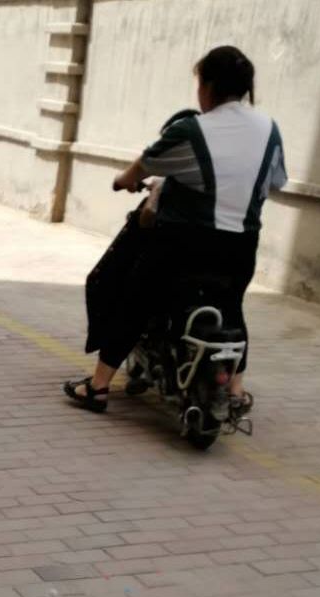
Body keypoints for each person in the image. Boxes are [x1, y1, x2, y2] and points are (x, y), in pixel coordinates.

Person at [64, 45, 287, 414]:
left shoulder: (192, 130)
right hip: (241, 247)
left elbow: (145, 165)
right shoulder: (270, 130)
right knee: (231, 306)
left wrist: (124, 180)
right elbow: (275, 181)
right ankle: (236, 390)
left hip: (184, 245)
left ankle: (99, 386)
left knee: (136, 298)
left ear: (208, 86)